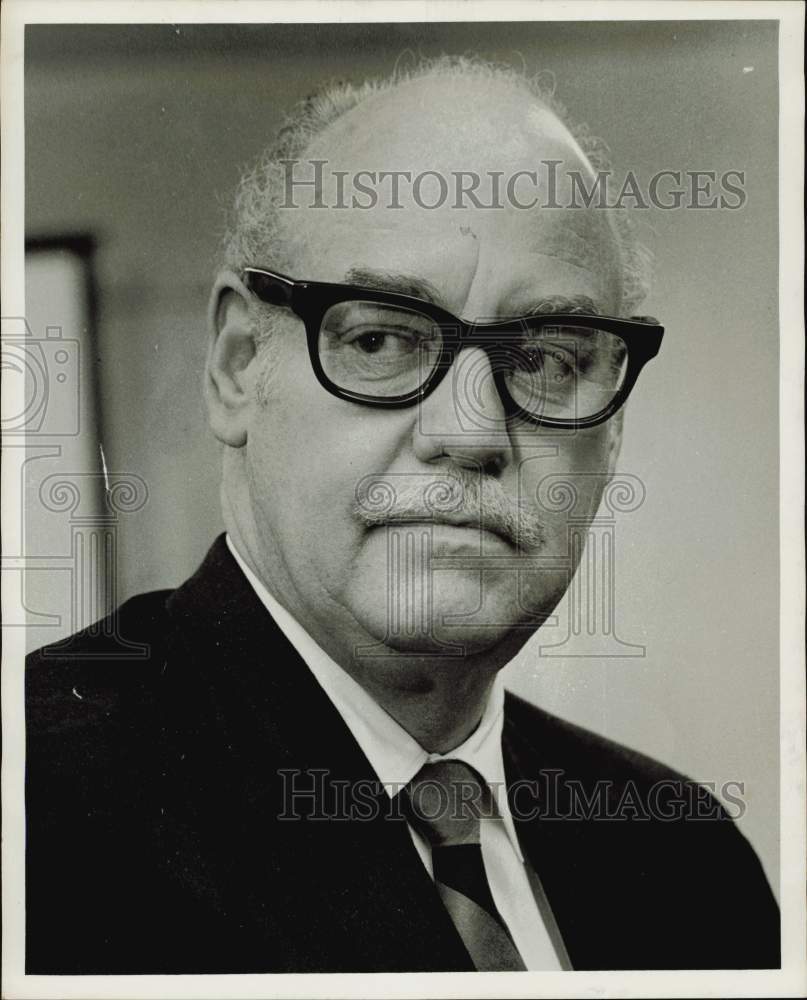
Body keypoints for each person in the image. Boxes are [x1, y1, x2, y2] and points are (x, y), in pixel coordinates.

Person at [25, 56, 779, 973]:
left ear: (611, 428)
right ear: (235, 365)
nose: (470, 433)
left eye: (544, 360)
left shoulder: (688, 863)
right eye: (380, 337)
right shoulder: (37, 814)